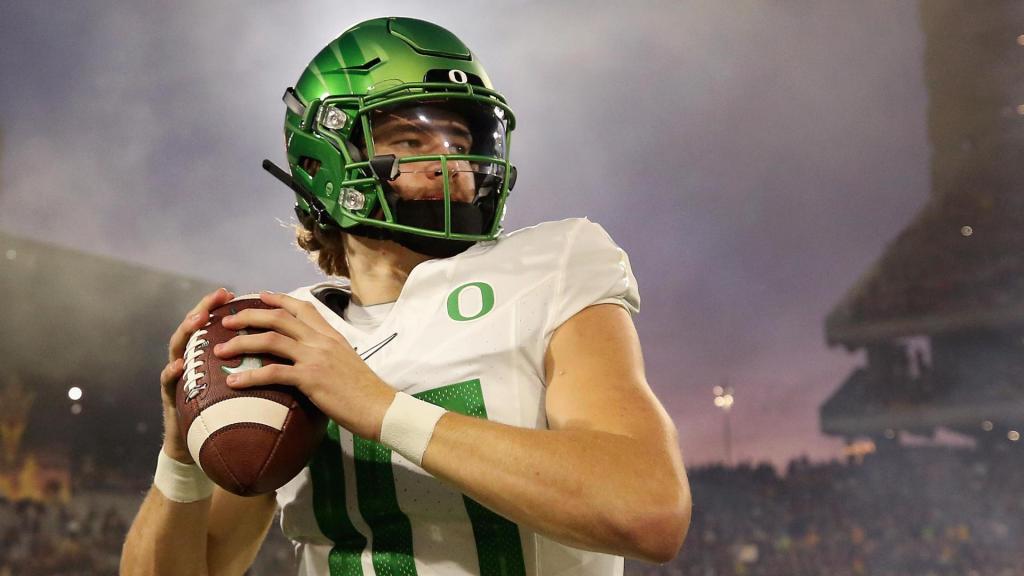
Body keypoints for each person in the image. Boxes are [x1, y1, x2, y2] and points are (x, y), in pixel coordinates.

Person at [121, 17, 691, 576]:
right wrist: (183, 454)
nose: (452, 163)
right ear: (324, 160)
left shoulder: (551, 264)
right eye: (411, 140)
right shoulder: (287, 332)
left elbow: (647, 508)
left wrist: (380, 408)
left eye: (460, 142)